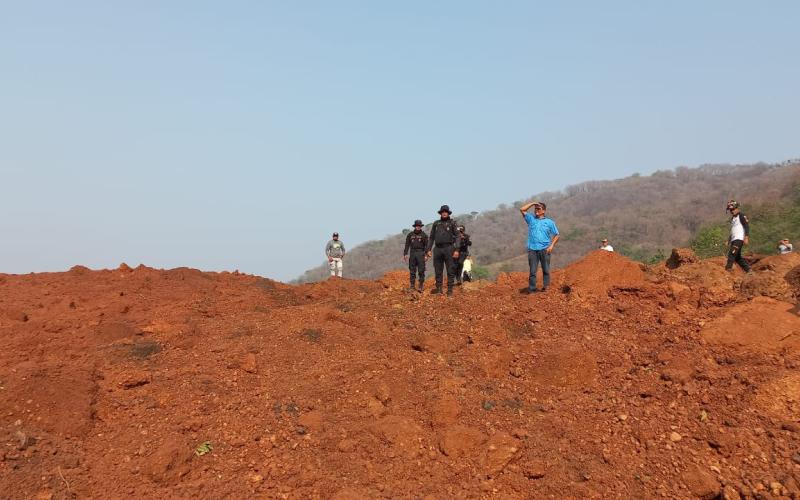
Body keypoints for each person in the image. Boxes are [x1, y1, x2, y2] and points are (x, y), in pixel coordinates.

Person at [519, 201, 560, 293]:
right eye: (535, 209)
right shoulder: (531, 219)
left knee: (546, 269)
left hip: (545, 248)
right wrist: (533, 203)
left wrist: (551, 246)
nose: (536, 210)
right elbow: (522, 209)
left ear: (543, 211)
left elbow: (557, 235)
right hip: (532, 249)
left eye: (538, 208)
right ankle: (532, 289)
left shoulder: (549, 222)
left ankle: (546, 287)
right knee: (532, 271)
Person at [425, 205, 461, 296]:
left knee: (450, 270)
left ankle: (449, 290)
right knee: (438, 270)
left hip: (449, 248)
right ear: (440, 213)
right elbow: (431, 237)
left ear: (448, 213)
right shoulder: (436, 223)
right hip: (437, 249)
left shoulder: (453, 223)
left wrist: (457, 249)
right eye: (442, 212)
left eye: (446, 212)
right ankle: (439, 289)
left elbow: (458, 236)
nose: (444, 213)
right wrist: (428, 249)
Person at [725, 200, 752, 273]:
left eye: (733, 209)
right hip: (734, 239)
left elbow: (746, 226)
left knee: (732, 253)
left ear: (737, 208)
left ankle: (728, 269)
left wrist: (746, 237)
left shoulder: (741, 215)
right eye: (730, 210)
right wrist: (729, 240)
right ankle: (748, 270)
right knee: (737, 257)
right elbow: (732, 230)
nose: (732, 211)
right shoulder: (733, 219)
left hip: (739, 239)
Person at [403, 220, 429, 292]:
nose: (418, 227)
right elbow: (407, 245)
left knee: (421, 270)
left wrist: (426, 255)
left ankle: (420, 286)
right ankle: (412, 286)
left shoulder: (424, 235)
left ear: (421, 227)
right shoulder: (410, 235)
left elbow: (427, 246)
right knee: (412, 270)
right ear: (415, 226)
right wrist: (405, 254)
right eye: (417, 226)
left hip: (421, 253)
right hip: (413, 253)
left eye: (419, 226)